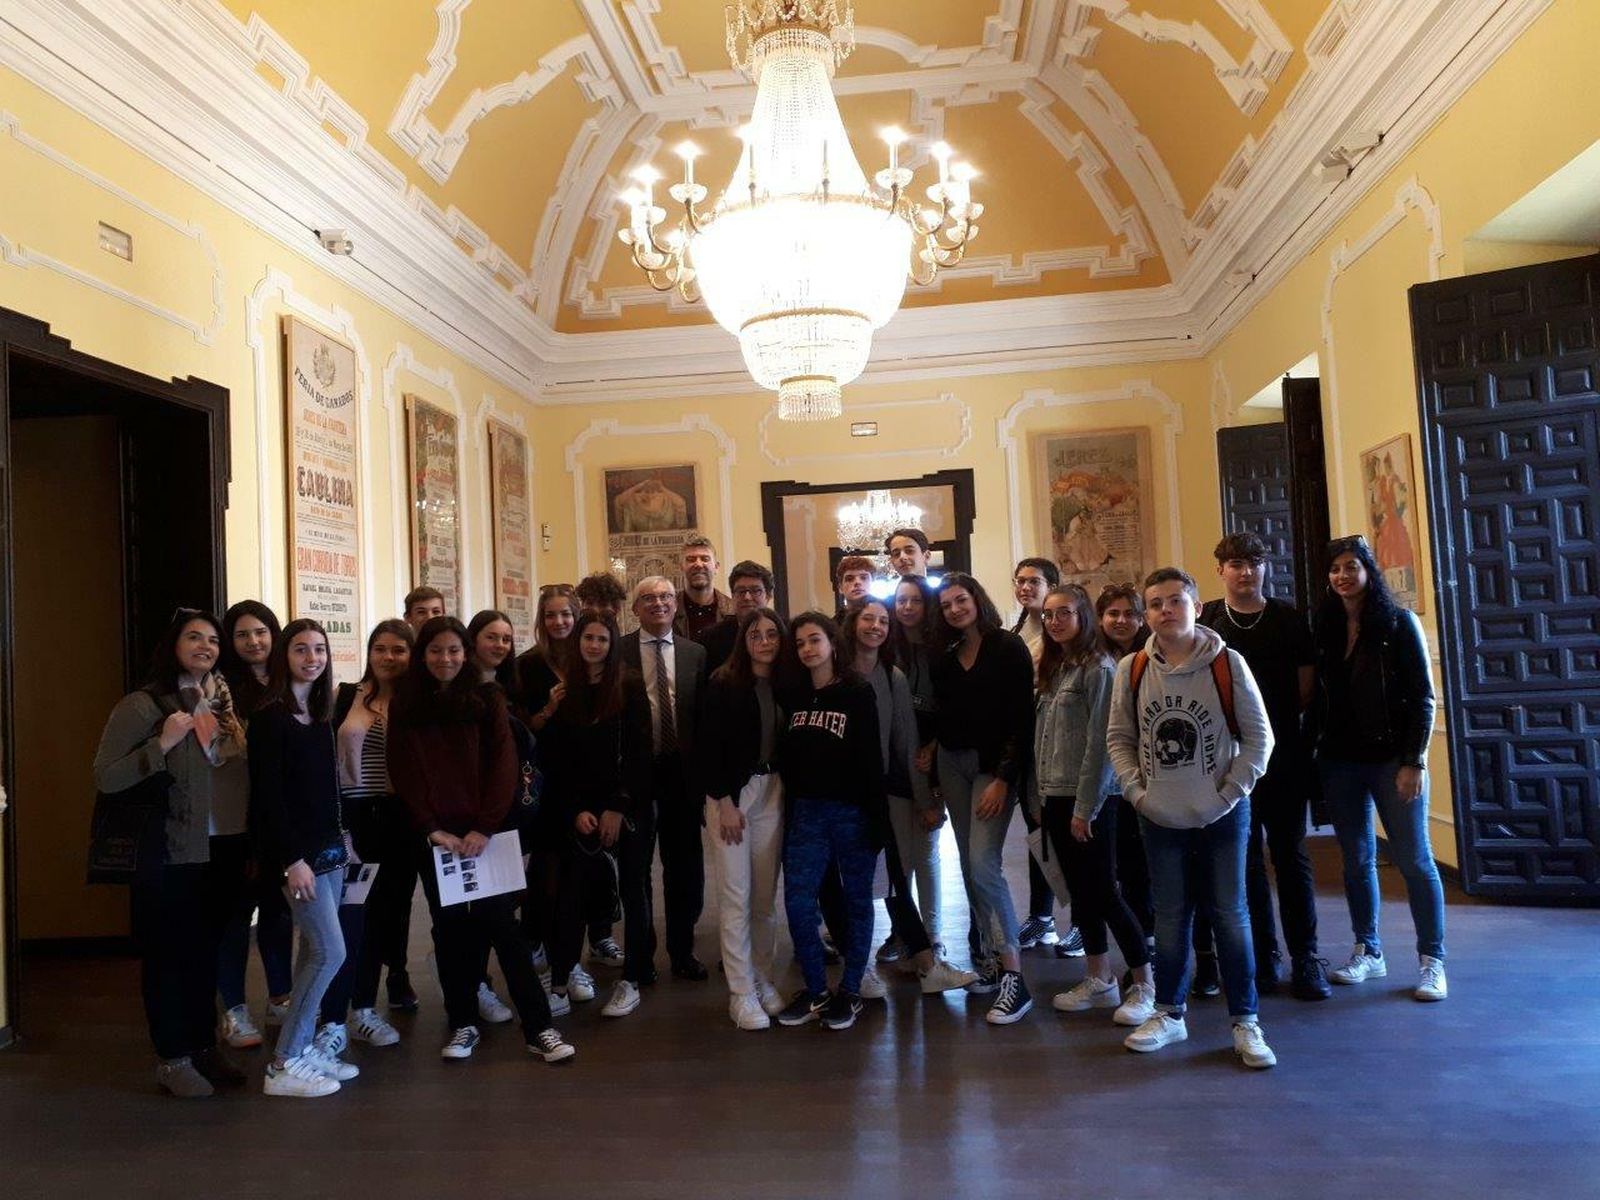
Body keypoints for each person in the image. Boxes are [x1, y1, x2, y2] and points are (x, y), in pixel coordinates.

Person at [1106, 568, 1278, 1069]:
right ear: (1146, 613)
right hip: (1158, 815)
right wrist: (1137, 794)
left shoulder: (1228, 664)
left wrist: (1228, 794)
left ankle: (1245, 1021)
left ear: (1196, 608)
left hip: (1222, 814)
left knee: (1230, 915)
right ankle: (1169, 1012)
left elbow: (1258, 738)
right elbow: (1120, 738)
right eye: (1155, 603)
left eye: (1175, 601)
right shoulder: (1132, 669)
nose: (1165, 610)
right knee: (1171, 916)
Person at [387, 616, 574, 1063]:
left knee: (505, 931)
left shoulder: (487, 699)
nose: (445, 659)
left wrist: (484, 828)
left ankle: (539, 1027)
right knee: (451, 933)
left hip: (489, 836)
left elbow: (504, 769)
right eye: (435, 651)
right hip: (437, 841)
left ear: (465, 654)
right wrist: (432, 827)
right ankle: (463, 1023)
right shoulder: (407, 703)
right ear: (422, 655)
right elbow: (403, 769)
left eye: (454, 650)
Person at [92, 608, 247, 1098]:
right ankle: (172, 1057)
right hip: (169, 851)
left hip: (218, 848)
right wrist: (163, 741)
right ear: (173, 645)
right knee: (167, 960)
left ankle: (203, 1048)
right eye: (194, 638)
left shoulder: (221, 703)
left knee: (204, 957)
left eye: (213, 640)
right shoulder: (142, 706)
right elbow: (106, 775)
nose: (206, 646)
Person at [1198, 532, 1331, 1001]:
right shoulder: (1208, 618)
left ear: (1265, 567)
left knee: (1291, 856)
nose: (1245, 571)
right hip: (1226, 759)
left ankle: (1306, 957)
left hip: (1283, 755)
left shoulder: (1288, 619)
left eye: (1254, 562)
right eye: (1235, 563)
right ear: (1221, 570)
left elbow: (1305, 688)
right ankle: (1265, 954)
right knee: (1246, 859)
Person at [1313, 534, 1446, 1002]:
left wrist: (1415, 760)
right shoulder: (1325, 626)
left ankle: (1432, 961)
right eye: (1334, 569)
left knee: (1414, 860)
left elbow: (1424, 698)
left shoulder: (1398, 622)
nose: (1343, 576)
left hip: (1393, 759)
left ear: (1369, 570)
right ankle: (1368, 950)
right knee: (1356, 860)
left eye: (1351, 566)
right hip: (1340, 760)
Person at [1034, 585, 1155, 1028]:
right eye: (1048, 615)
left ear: (1083, 615)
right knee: (1082, 893)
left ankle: (1144, 981)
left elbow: (1101, 746)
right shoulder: (1056, 667)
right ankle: (1098, 976)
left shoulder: (1098, 668)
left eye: (1064, 612)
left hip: (1090, 798)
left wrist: (1085, 807)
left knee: (1104, 891)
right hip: (1055, 793)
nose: (1055, 621)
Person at [841, 601, 975, 996]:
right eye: (868, 619)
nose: (876, 626)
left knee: (893, 878)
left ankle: (925, 962)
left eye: (883, 621)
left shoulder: (892, 675)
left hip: (884, 794)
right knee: (855, 884)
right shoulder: (835, 672)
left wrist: (924, 800)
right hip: (841, 796)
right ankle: (860, 967)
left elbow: (906, 741)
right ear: (853, 624)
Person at [247, 618, 352, 1097]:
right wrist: (291, 860)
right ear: (284, 657)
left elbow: (323, 791)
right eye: (301, 650)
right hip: (297, 860)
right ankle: (283, 1063)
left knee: (314, 950)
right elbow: (268, 799)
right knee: (331, 951)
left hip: (330, 850)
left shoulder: (323, 713)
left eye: (320, 650)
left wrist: (341, 840)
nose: (312, 658)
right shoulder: (270, 717)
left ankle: (304, 1047)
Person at [930, 572, 1037, 1024]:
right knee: (972, 871)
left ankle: (1015, 977)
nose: (955, 610)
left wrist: (1002, 778)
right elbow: (940, 713)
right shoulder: (946, 654)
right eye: (947, 605)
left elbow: (1020, 717)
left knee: (982, 863)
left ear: (976, 598)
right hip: (952, 765)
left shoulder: (1006, 647)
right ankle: (991, 961)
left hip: (993, 769)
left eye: (961, 600)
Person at [541, 610, 655, 1021]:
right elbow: (558, 759)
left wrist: (616, 807)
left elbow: (641, 752)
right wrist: (576, 811)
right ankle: (560, 979)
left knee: (634, 892)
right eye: (588, 638)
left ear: (613, 645)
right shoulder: (566, 690)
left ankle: (632, 980)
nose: (594, 646)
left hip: (628, 806)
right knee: (571, 895)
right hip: (581, 809)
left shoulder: (629, 684)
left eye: (602, 640)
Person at [775, 613, 885, 1032]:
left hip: (852, 812)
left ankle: (852, 989)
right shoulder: (794, 694)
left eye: (814, 639)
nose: (807, 649)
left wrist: (877, 822)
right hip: (806, 813)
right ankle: (817, 989)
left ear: (832, 643)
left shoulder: (857, 692)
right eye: (800, 642)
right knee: (799, 902)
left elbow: (871, 759)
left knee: (857, 902)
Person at [511, 585, 620, 972]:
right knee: (547, 868)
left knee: (588, 864)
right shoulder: (526, 665)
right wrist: (550, 708)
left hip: (584, 777)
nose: (560, 622)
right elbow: (522, 729)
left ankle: (597, 936)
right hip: (543, 779)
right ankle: (539, 939)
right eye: (551, 615)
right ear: (542, 621)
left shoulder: (592, 662)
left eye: (566, 615)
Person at [699, 608, 790, 1029]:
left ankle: (761, 977)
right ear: (744, 640)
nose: (765, 641)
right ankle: (740, 993)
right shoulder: (723, 683)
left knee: (764, 897)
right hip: (732, 797)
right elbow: (707, 748)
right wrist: (724, 801)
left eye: (773, 633)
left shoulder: (788, 683)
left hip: (774, 792)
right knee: (736, 895)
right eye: (756, 634)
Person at [327, 619, 413, 1050]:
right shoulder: (347, 696)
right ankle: (332, 1017)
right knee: (346, 917)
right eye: (380, 648)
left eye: (399, 649)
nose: (388, 657)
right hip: (353, 815)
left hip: (399, 818)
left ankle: (363, 1007)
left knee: (384, 916)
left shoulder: (418, 700)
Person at [622, 577, 709, 981]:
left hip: (683, 773)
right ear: (635, 607)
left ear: (675, 605)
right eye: (648, 598)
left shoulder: (696, 653)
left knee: (685, 866)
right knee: (636, 866)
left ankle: (682, 949)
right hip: (636, 772)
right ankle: (640, 956)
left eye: (665, 597)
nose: (658, 604)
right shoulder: (618, 652)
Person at [214, 600, 293, 1050]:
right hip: (235, 818)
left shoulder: (285, 683)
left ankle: (280, 995)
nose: (253, 642)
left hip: (275, 817)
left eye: (260, 632)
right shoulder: (222, 690)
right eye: (242, 634)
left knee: (277, 911)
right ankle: (235, 1009)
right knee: (235, 915)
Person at [1010, 556, 1084, 958]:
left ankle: (1086, 922)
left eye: (1033, 581)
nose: (1024, 588)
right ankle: (1042, 916)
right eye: (1019, 581)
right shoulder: (1017, 631)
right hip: (1030, 745)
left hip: (1064, 747)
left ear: (1053, 583)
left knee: (1071, 837)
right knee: (1038, 831)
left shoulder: (1065, 632)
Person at [1097, 583, 1154, 945]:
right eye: (1112, 613)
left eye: (1130, 613)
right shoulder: (1093, 658)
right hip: (1106, 774)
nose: (1121, 620)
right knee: (1116, 861)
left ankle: (1148, 934)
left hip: (1147, 771)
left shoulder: (1152, 656)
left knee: (1141, 861)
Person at [698, 561, 776, 674]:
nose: (747, 597)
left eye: (755, 590)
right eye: (741, 591)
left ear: (768, 596)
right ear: (733, 596)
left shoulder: (784, 633)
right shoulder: (710, 639)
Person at [676, 535, 735, 641]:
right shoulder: (668, 610)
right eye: (691, 559)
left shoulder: (733, 610)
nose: (698, 564)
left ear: (716, 567)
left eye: (705, 559)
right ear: (681, 567)